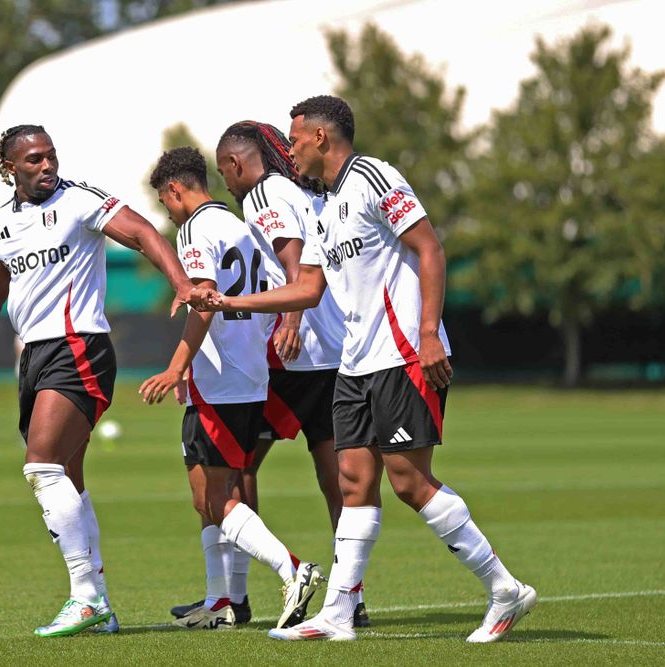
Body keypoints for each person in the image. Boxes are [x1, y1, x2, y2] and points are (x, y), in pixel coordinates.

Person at [193, 96, 537, 642]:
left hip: (403, 355)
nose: (289, 149)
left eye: (296, 138)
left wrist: (428, 333)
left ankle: (504, 589)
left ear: (322, 138)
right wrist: (228, 304)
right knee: (354, 482)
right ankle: (338, 613)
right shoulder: (323, 209)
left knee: (409, 482)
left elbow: (429, 249)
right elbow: (305, 289)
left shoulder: (374, 177)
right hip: (355, 364)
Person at [0, 124, 197, 637]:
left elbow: (142, 233)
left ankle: (86, 596)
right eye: (34, 160)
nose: (47, 166)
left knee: (42, 465)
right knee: (67, 476)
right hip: (36, 358)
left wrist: (179, 280)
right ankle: (102, 607)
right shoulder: (1, 224)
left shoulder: (80, 201)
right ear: (10, 169)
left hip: (80, 347)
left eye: (50, 157)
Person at [169, 121, 372, 628]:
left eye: (225, 172)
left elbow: (294, 264)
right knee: (337, 480)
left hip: (292, 357)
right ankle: (350, 596)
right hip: (334, 356)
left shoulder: (263, 195)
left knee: (226, 474)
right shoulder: (305, 191)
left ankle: (235, 597)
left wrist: (291, 319)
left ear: (237, 165)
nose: (226, 184)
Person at [139, 146, 323, 631]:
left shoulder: (196, 229)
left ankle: (293, 570)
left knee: (214, 500)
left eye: (165, 202)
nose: (168, 211)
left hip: (219, 386)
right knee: (221, 492)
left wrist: (178, 366)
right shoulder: (243, 226)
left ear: (175, 191)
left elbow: (202, 301)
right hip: (249, 378)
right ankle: (224, 602)